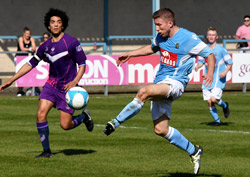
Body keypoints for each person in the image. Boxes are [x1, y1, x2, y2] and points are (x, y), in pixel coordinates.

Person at [103, 8, 215, 175]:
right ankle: (194, 151)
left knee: (143, 92)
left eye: (159, 25)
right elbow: (150, 48)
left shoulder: (188, 37)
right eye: (156, 25)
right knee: (161, 130)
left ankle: (115, 122)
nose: (157, 29)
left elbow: (210, 54)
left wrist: (211, 73)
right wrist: (130, 54)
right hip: (161, 83)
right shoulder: (161, 37)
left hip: (175, 84)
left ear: (170, 23)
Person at [0, 8, 94, 158]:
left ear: (63, 25)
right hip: (51, 86)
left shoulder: (71, 42)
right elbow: (30, 64)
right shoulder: (44, 46)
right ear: (48, 26)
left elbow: (82, 64)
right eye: (52, 22)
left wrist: (75, 81)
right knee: (40, 114)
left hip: (67, 88)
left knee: (66, 125)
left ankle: (83, 117)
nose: (56, 25)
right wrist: (11, 80)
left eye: (58, 22)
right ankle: (46, 151)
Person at [195, 27, 233, 126]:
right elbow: (201, 61)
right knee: (209, 102)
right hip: (207, 79)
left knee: (213, 99)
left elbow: (229, 63)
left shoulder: (221, 50)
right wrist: (197, 66)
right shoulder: (204, 50)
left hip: (218, 79)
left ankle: (224, 105)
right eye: (209, 35)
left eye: (213, 35)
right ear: (207, 36)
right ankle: (217, 121)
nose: (211, 37)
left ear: (216, 37)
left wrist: (224, 72)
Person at [15, 26, 36, 96]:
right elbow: (22, 48)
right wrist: (30, 49)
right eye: (26, 34)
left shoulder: (31, 39)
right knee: (19, 74)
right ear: (24, 33)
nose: (28, 35)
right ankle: (19, 91)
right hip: (19, 58)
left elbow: (34, 47)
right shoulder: (21, 38)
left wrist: (32, 48)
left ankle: (29, 89)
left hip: (26, 58)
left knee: (28, 73)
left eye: (29, 34)